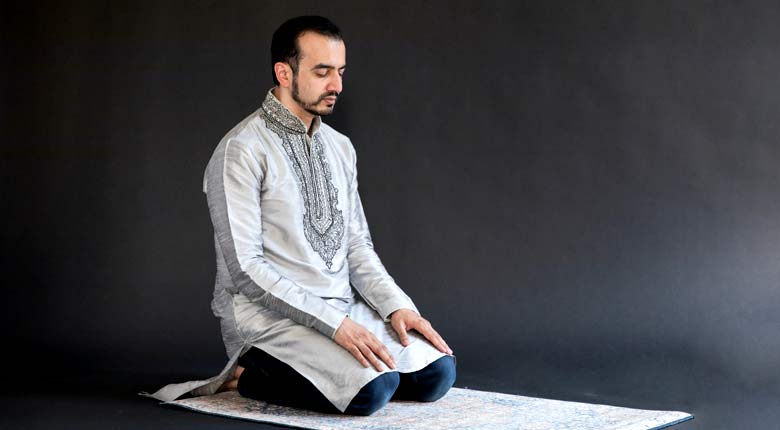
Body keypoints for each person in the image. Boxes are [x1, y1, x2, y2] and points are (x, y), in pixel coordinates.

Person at [141, 16, 455, 416]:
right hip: (269, 320)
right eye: (322, 72)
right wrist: (333, 325)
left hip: (342, 308)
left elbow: (357, 246)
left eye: (340, 72)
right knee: (372, 391)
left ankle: (326, 369)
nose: (337, 85)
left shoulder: (340, 147)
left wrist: (397, 308)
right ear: (284, 73)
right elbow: (246, 269)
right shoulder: (241, 150)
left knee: (436, 374)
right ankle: (248, 375)